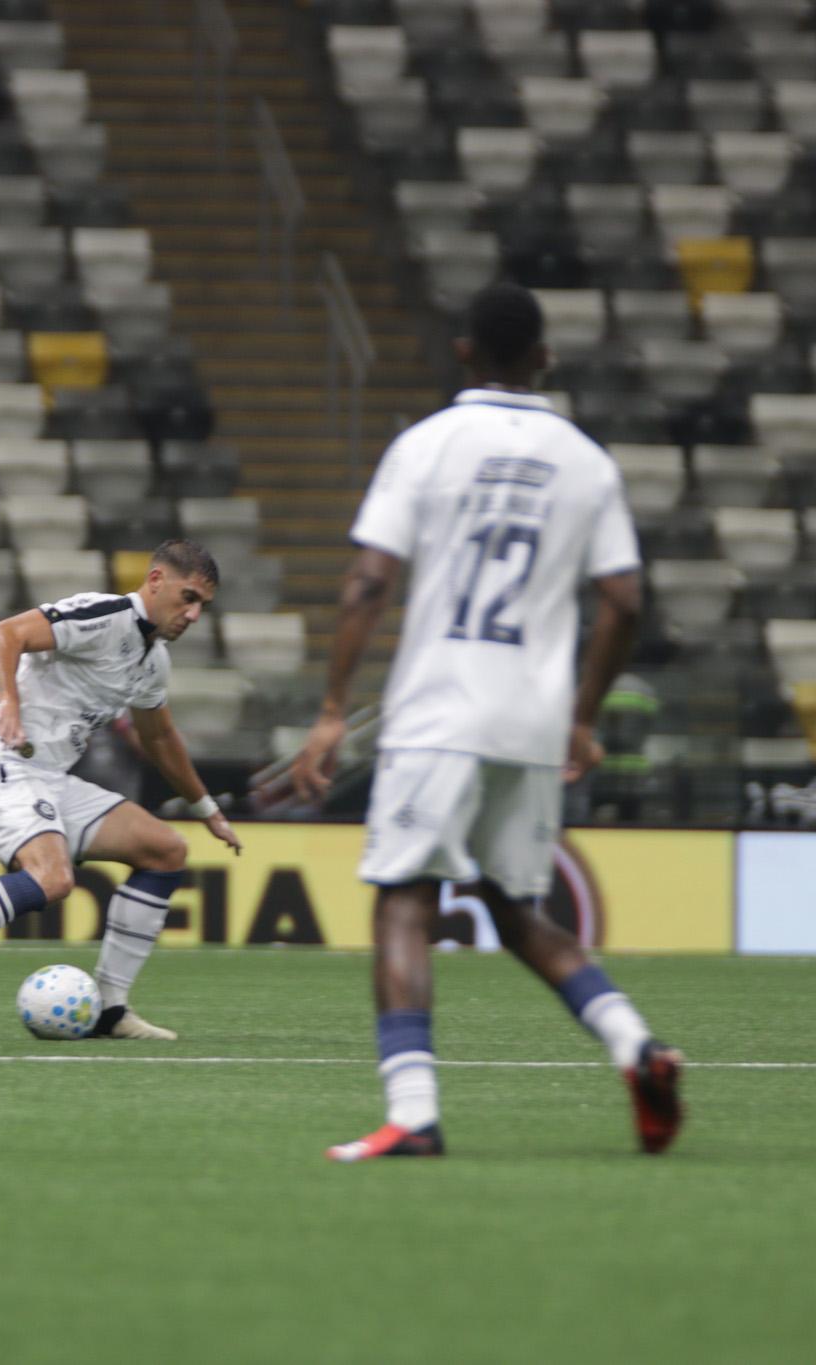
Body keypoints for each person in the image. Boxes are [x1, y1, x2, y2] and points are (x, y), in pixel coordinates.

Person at [291, 281, 682, 1161]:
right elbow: (624, 599)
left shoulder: (426, 445)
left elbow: (368, 582)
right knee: (515, 908)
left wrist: (331, 711)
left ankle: (414, 1113)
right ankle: (636, 1045)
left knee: (404, 900)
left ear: (463, 351)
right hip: (532, 722)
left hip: (439, 711)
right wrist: (581, 716)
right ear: (544, 357)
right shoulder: (586, 461)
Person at [0, 540, 243, 1040]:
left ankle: (110, 1010)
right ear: (155, 581)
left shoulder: (153, 662)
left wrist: (207, 809)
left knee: (165, 851)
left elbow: (159, 737)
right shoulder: (103, 615)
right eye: (188, 597)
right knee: (52, 878)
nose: (193, 614)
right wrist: (9, 704)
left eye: (202, 606)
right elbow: (4, 634)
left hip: (47, 778)